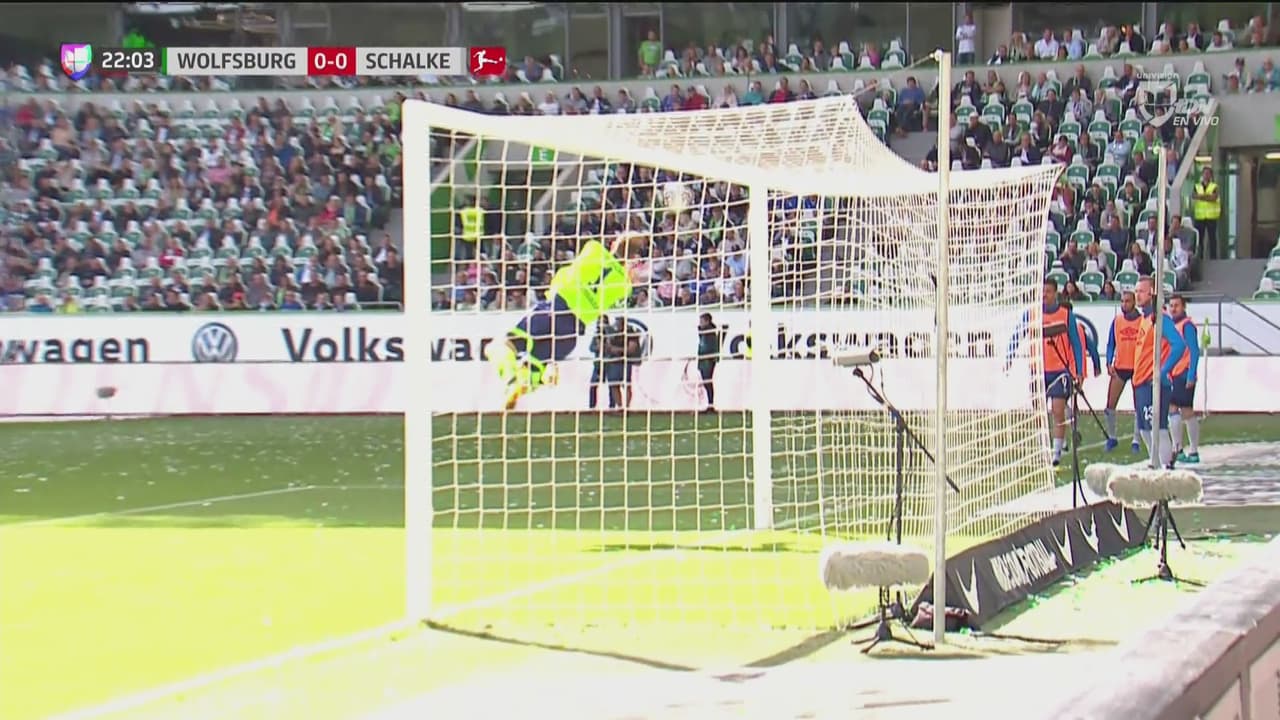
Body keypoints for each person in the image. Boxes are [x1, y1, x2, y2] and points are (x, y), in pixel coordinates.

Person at [487, 235, 642, 410]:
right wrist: (628, 270)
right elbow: (623, 288)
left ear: (613, 244)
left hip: (553, 311)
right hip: (571, 332)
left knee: (500, 346)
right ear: (633, 258)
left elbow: (570, 270)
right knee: (533, 370)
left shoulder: (594, 248)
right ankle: (525, 384)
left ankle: (511, 378)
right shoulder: (624, 285)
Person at [1006, 278, 1085, 466]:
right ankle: (1046, 446)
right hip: (1038, 370)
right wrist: (1009, 356)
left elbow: (1076, 343)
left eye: (1048, 291)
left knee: (1057, 410)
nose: (1044, 295)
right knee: (1038, 412)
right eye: (1041, 291)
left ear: (1055, 293)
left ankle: (1056, 453)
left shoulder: (1066, 315)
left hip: (1060, 370)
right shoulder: (1031, 314)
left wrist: (1079, 370)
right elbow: (1017, 335)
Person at [1131, 276, 1188, 469]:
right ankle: (1155, 462)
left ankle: (1165, 465)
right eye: (1136, 291)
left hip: (1152, 382)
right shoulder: (1146, 319)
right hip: (1141, 381)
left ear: (1152, 293)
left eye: (1142, 291)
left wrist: (1163, 372)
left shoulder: (1160, 318)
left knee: (1157, 426)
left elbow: (1179, 344)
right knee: (1144, 428)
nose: (1137, 295)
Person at [1104, 290, 1143, 452]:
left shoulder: (1142, 321)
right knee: (1110, 404)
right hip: (1120, 367)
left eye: (1127, 301)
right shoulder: (1117, 321)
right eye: (1122, 301)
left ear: (1134, 302)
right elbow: (1110, 343)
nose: (1124, 304)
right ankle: (1112, 437)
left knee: (1138, 406)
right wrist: (1108, 362)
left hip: (1137, 368)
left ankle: (1136, 440)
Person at [1166, 295, 1202, 463]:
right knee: (1173, 409)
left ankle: (1192, 450)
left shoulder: (1187, 326)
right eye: (1171, 305)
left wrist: (1191, 374)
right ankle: (1179, 448)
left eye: (1177, 305)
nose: (1173, 309)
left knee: (1186, 410)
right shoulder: (1172, 325)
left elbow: (1194, 350)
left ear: (1184, 307)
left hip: (1183, 372)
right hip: (1174, 373)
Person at [587, 315, 615, 411]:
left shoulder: (612, 333)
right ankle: (592, 407)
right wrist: (597, 348)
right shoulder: (597, 335)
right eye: (599, 322)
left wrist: (607, 345)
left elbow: (613, 347)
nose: (601, 324)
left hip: (610, 363)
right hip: (598, 364)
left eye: (603, 322)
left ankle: (612, 406)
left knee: (612, 385)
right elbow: (591, 348)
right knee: (593, 384)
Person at [697, 312, 721, 412]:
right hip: (703, 360)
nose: (700, 323)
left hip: (708, 360)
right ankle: (710, 404)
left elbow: (710, 347)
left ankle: (711, 405)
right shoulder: (703, 331)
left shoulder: (710, 332)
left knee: (708, 382)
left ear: (707, 321)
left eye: (702, 321)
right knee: (706, 382)